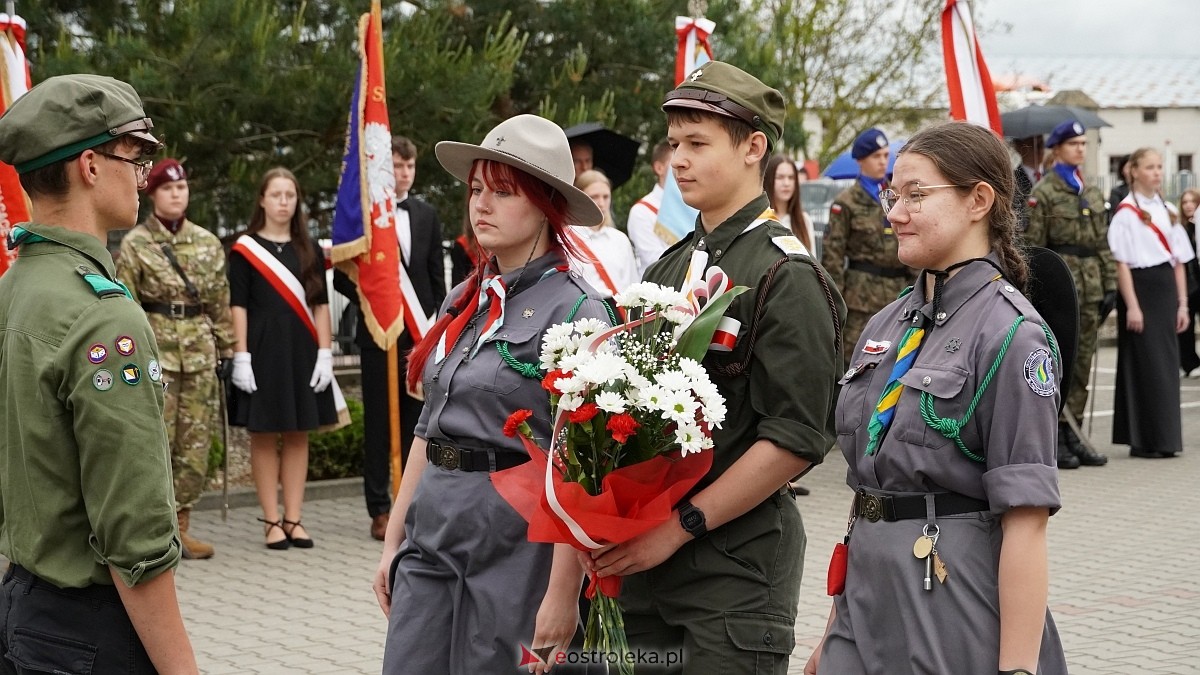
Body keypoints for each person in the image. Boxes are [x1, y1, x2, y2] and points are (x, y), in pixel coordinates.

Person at [585, 61, 845, 673]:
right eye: (674, 144)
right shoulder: (668, 269)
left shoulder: (788, 275)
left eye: (698, 144)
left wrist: (676, 529)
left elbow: (797, 437)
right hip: (648, 562)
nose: (679, 159)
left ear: (754, 147)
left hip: (733, 567)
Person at [805, 120, 1068, 675]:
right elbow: (869, 491)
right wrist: (832, 633)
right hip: (865, 595)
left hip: (948, 594)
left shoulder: (1012, 336)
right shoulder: (887, 321)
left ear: (979, 200)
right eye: (892, 195)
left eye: (916, 196)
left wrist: (1018, 669)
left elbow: (1026, 519)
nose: (895, 213)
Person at [373, 114, 615, 673]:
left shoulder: (580, 311)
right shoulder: (462, 298)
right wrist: (394, 538)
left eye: (503, 193)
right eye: (477, 189)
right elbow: (427, 427)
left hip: (517, 536)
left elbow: (582, 467)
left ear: (546, 204)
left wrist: (562, 590)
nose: (481, 205)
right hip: (434, 521)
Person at [0, 74, 198, 674]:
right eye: (135, 157)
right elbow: (133, 539)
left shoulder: (14, 290)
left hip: (22, 607)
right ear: (90, 165)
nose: (143, 176)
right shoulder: (102, 315)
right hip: (88, 631)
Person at [116, 158, 235, 560]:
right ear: (153, 195)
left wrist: (230, 351)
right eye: (167, 188)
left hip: (200, 354)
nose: (176, 194)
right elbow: (124, 303)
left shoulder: (206, 242)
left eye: (181, 188)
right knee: (156, 444)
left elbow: (219, 302)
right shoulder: (136, 244)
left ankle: (181, 527)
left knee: (194, 447)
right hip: (157, 355)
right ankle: (154, 531)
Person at [333, 136, 446, 541]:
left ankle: (412, 500)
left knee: (416, 419)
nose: (403, 174)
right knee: (379, 423)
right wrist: (374, 301)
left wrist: (430, 322)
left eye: (410, 167)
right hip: (377, 333)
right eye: (397, 166)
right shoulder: (367, 218)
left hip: (417, 334)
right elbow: (343, 277)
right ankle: (379, 508)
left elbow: (436, 274)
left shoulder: (426, 214)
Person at [228, 167, 338, 549]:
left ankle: (294, 518)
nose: (283, 202)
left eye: (290, 196)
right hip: (261, 351)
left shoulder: (307, 248)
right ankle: (271, 520)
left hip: (302, 349)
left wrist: (326, 352)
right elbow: (237, 305)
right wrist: (240, 355)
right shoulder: (244, 249)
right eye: (276, 195)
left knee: (297, 432)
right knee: (263, 433)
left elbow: (320, 303)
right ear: (262, 199)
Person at [1025, 120, 1115, 469]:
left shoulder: (1090, 191)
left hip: (1090, 287)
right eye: (1073, 143)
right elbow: (1036, 250)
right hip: (1061, 292)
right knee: (1057, 363)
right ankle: (1055, 435)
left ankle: (1073, 432)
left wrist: (1109, 285)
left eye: (1083, 143)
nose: (1080, 148)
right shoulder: (1044, 193)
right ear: (1058, 148)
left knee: (1083, 364)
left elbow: (1102, 244)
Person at [1107, 148, 1195, 458]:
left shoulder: (1168, 210)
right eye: (1150, 167)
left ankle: (1166, 438)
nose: (1157, 173)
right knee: (1145, 365)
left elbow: (1179, 262)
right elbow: (1122, 264)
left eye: (1160, 167)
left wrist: (1182, 304)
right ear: (1134, 171)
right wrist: (1131, 305)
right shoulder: (1126, 213)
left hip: (1166, 291)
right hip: (1141, 289)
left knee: (1166, 365)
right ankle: (1145, 439)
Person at [821, 127, 913, 366]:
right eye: (876, 156)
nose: (883, 162)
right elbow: (833, 255)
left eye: (885, 155)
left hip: (899, 291)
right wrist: (835, 304)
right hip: (860, 298)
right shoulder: (847, 202)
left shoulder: (897, 196)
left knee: (899, 357)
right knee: (856, 361)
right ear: (861, 160)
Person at [569, 168, 639, 296]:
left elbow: (633, 285)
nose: (601, 203)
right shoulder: (567, 238)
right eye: (594, 197)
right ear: (580, 199)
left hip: (618, 312)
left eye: (606, 197)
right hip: (584, 311)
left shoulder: (620, 239)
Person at [627, 139, 675, 275]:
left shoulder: (694, 206)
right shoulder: (642, 211)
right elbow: (656, 261)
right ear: (659, 168)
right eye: (674, 162)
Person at [765, 154, 814, 252]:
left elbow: (813, 264)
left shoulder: (804, 220)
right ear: (769, 179)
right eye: (780, 177)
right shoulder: (761, 220)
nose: (786, 183)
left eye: (791, 178)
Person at [1178, 188, 1200, 376]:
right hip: (1189, 282)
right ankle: (1189, 362)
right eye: (1185, 202)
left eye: (1192, 201)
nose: (1188, 205)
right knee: (1187, 324)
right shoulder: (1180, 228)